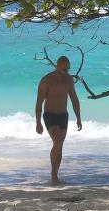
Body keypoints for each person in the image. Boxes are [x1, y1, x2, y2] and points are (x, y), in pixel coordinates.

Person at [35, 55, 82, 185]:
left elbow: (74, 99)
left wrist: (78, 117)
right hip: (50, 115)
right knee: (57, 141)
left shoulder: (68, 80)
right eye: (64, 69)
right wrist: (38, 123)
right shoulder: (46, 80)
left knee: (59, 145)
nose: (67, 72)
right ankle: (54, 174)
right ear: (57, 67)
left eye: (68, 69)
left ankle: (55, 172)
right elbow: (39, 103)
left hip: (63, 115)